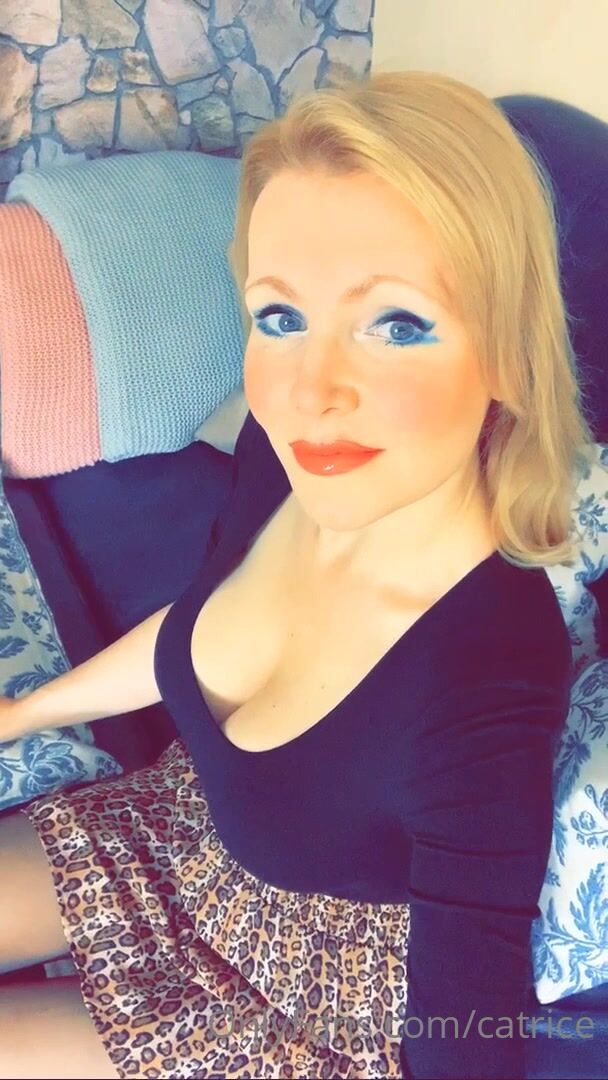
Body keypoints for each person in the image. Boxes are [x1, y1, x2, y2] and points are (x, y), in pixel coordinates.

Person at [0, 70, 596, 1080]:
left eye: (395, 323)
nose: (308, 392)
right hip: (185, 832)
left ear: (506, 350)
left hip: (296, 995)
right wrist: (19, 715)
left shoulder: (482, 683)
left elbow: (467, 1037)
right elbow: (202, 625)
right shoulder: (294, 457)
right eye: (279, 317)